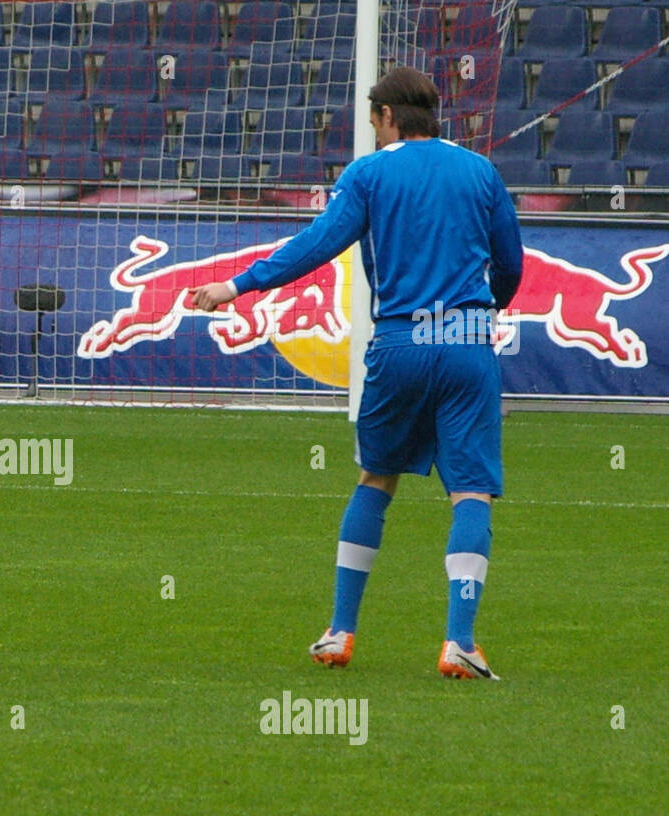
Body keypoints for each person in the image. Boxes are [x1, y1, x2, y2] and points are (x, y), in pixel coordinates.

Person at [193, 67, 523, 680]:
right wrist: (486, 311)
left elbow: (318, 244)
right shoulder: (481, 171)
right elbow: (510, 262)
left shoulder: (369, 173)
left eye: (372, 120)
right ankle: (460, 642)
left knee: (377, 478)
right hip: (466, 342)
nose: (371, 131)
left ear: (388, 116)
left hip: (398, 344)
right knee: (471, 491)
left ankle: (341, 632)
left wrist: (237, 284)